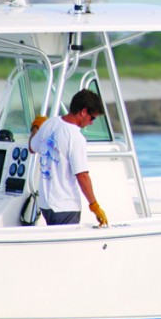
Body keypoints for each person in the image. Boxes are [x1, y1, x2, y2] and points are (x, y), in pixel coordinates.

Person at [28, 90, 109, 227]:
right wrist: (94, 206)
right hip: (66, 206)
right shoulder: (76, 138)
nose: (91, 123)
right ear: (83, 112)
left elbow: (31, 146)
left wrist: (36, 126)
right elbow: (82, 175)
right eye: (92, 118)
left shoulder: (49, 124)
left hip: (46, 206)